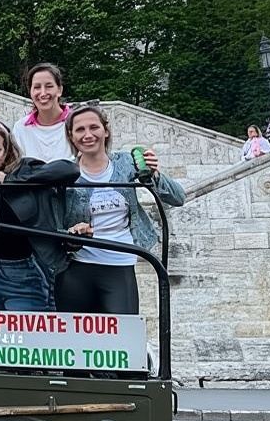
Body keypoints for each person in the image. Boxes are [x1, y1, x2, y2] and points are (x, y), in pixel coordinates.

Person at [58, 106, 186, 315]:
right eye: (80, 130)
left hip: (120, 264)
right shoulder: (65, 173)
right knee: (75, 340)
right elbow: (53, 223)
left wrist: (154, 175)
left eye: (94, 127)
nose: (88, 135)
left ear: (105, 131)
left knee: (122, 339)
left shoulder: (126, 162)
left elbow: (178, 197)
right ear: (71, 136)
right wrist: (71, 233)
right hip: (77, 265)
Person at [0, 121, 79, 312]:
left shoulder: (23, 169)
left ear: (7, 151)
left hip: (26, 271)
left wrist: (9, 181)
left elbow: (69, 170)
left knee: (28, 338)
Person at [12, 63, 74, 162]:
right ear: (30, 92)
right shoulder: (21, 128)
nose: (43, 93)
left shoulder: (76, 123)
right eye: (37, 87)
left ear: (59, 90)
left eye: (49, 86)